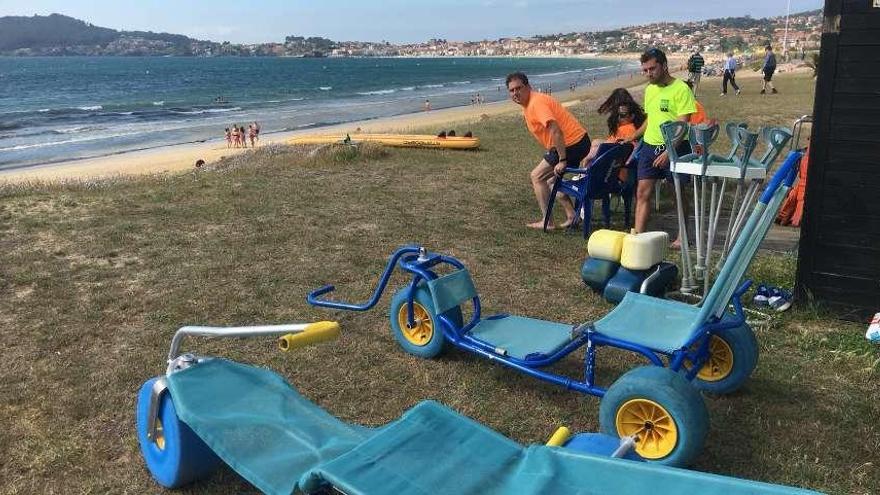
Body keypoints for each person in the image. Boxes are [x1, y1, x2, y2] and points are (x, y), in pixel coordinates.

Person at [626, 48, 696, 242]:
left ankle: (682, 236)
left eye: (652, 69)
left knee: (678, 194)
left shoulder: (681, 89)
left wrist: (669, 151)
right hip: (650, 147)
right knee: (642, 193)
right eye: (645, 70)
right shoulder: (650, 90)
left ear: (664, 66)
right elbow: (651, 120)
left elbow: (683, 125)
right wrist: (634, 135)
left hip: (676, 148)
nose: (649, 73)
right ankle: (637, 238)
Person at [506, 71, 591, 230]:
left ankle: (548, 221)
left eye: (519, 88)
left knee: (537, 176)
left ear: (528, 87)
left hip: (572, 144)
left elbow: (555, 130)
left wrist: (562, 159)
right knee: (552, 181)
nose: (515, 93)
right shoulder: (529, 104)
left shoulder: (536, 103)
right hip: (577, 142)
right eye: (511, 90)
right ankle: (572, 216)